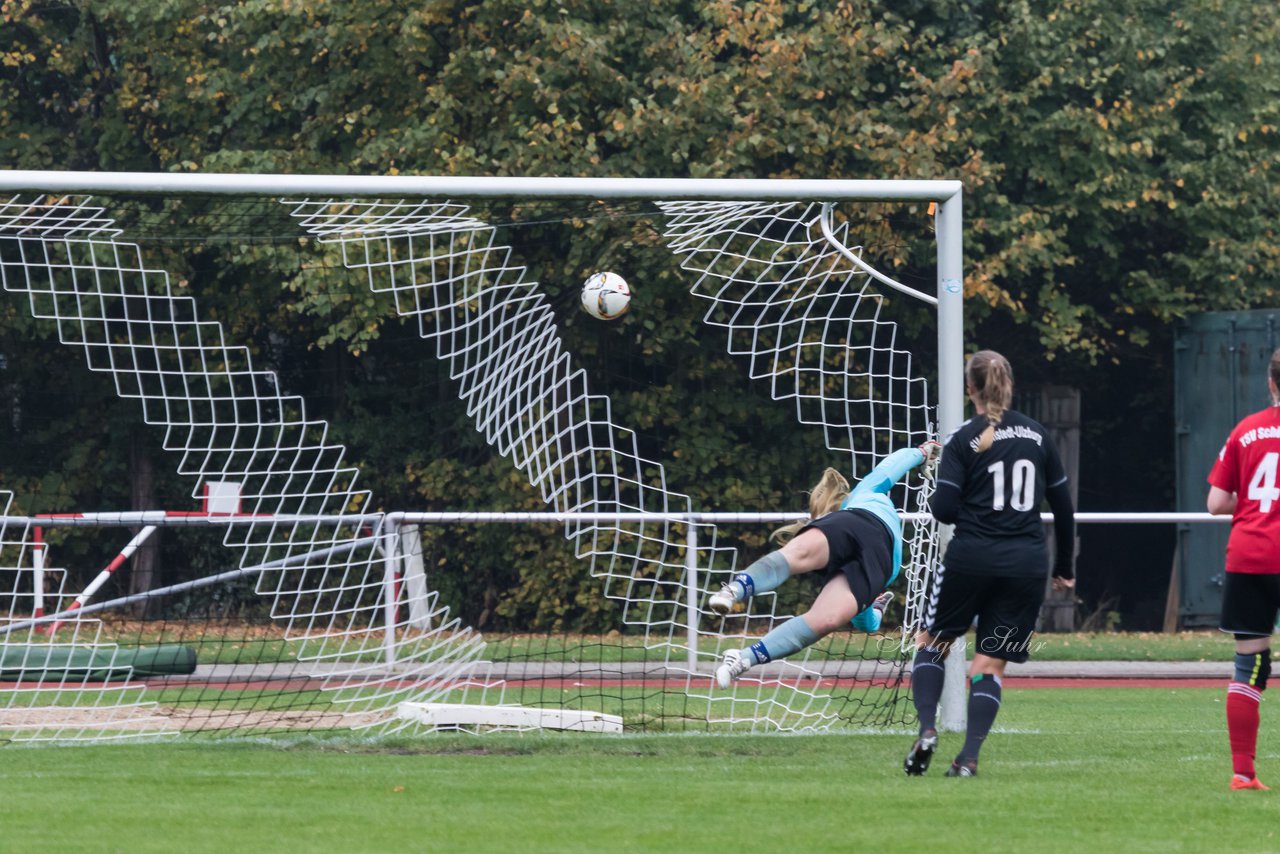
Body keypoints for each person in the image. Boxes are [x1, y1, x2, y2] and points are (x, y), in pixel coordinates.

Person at [905, 350, 1075, 777]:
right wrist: (1065, 567)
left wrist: (978, 514)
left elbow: (943, 508)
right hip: (1026, 564)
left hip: (972, 556)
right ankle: (969, 758)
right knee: (990, 663)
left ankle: (927, 729)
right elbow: (1064, 507)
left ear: (971, 390)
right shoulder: (1038, 434)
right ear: (1009, 385)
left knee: (933, 642)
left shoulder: (964, 438)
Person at [710, 441, 940, 689]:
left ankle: (742, 659)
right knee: (796, 554)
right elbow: (889, 468)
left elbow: (862, 620)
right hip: (863, 526)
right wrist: (921, 452)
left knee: (827, 618)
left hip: (875, 555)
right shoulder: (856, 499)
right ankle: (733, 590)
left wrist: (875, 612)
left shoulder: (858, 500)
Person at [1206, 347, 1280, 791]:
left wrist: (1250, 504)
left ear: (1270, 383)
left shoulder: (1246, 430)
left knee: (1248, 664)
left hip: (1250, 556)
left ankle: (1243, 772)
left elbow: (1216, 502)